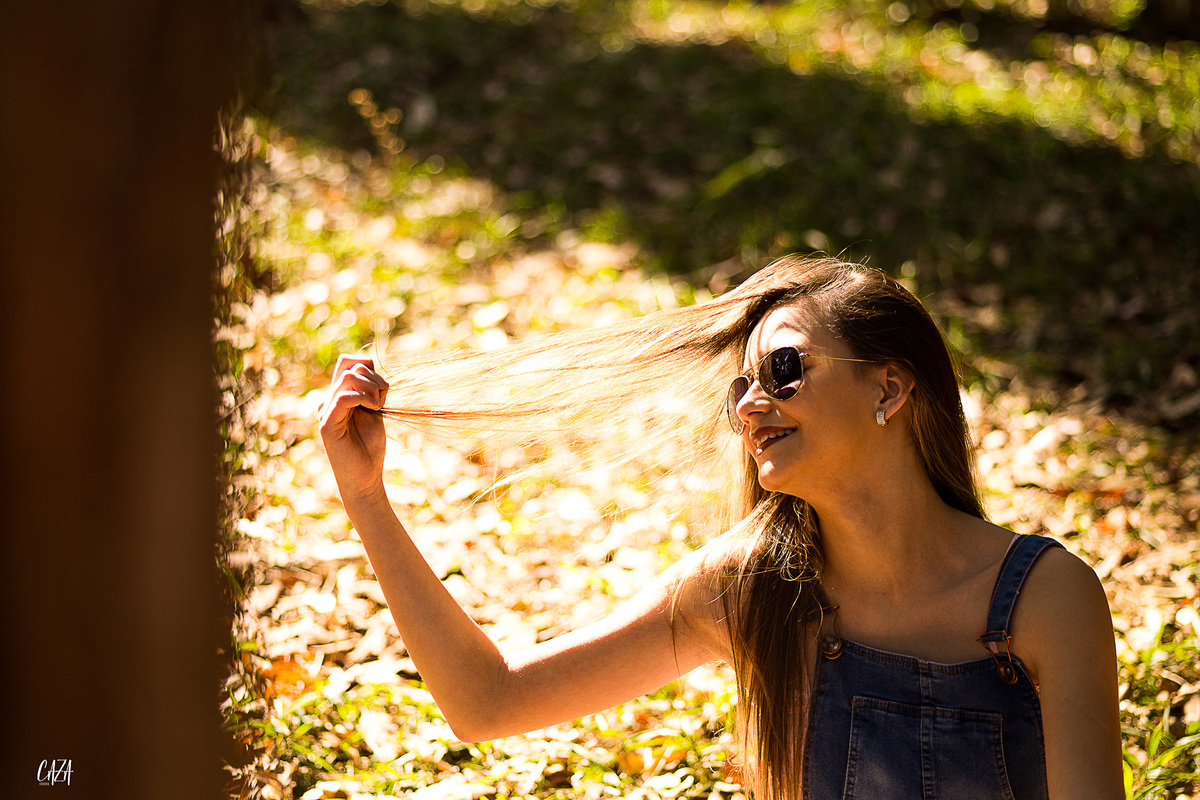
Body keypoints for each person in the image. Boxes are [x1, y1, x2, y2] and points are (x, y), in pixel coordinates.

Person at [319, 254, 1123, 799]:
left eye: (782, 368)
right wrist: (367, 500)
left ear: (889, 387)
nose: (749, 405)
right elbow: (488, 703)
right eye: (738, 388)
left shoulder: (1044, 599)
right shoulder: (752, 586)